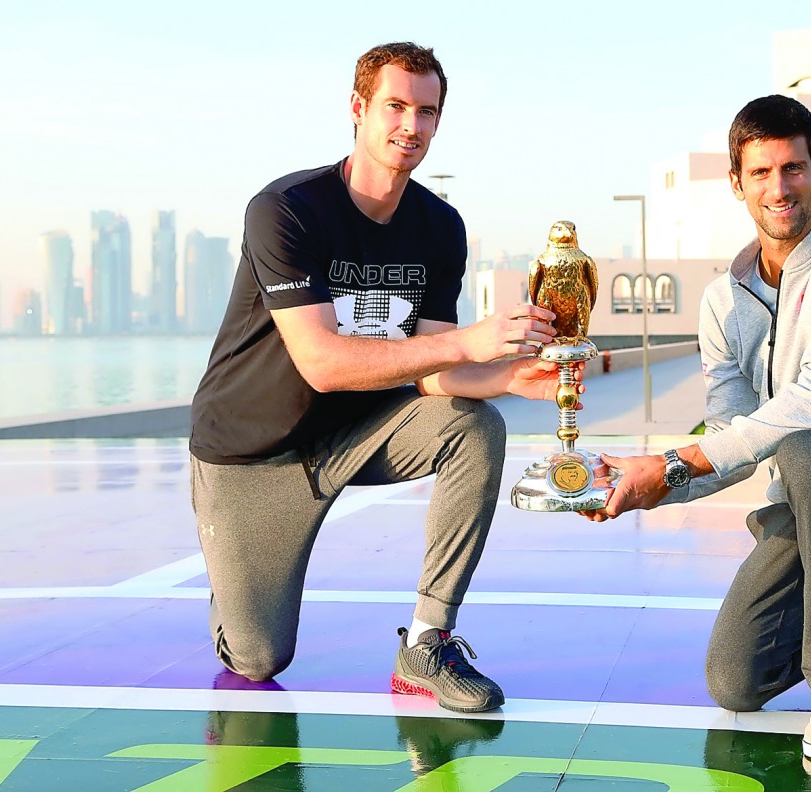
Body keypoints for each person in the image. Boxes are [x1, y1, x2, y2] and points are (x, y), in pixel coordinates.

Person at [189, 42, 569, 714]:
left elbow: (429, 367)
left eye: (427, 112)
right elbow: (323, 363)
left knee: (474, 427)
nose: (411, 126)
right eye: (395, 106)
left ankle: (427, 644)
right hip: (253, 452)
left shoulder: (438, 227)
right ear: (359, 109)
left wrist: (508, 376)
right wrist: (469, 339)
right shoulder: (287, 209)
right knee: (257, 657)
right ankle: (234, 571)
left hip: (361, 432)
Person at [582, 95, 811, 761]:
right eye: (761, 173)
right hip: (801, 509)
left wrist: (677, 460)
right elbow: (732, 440)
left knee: (810, 447)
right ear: (736, 182)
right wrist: (651, 482)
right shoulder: (723, 301)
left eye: (793, 169)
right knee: (734, 682)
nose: (779, 189)